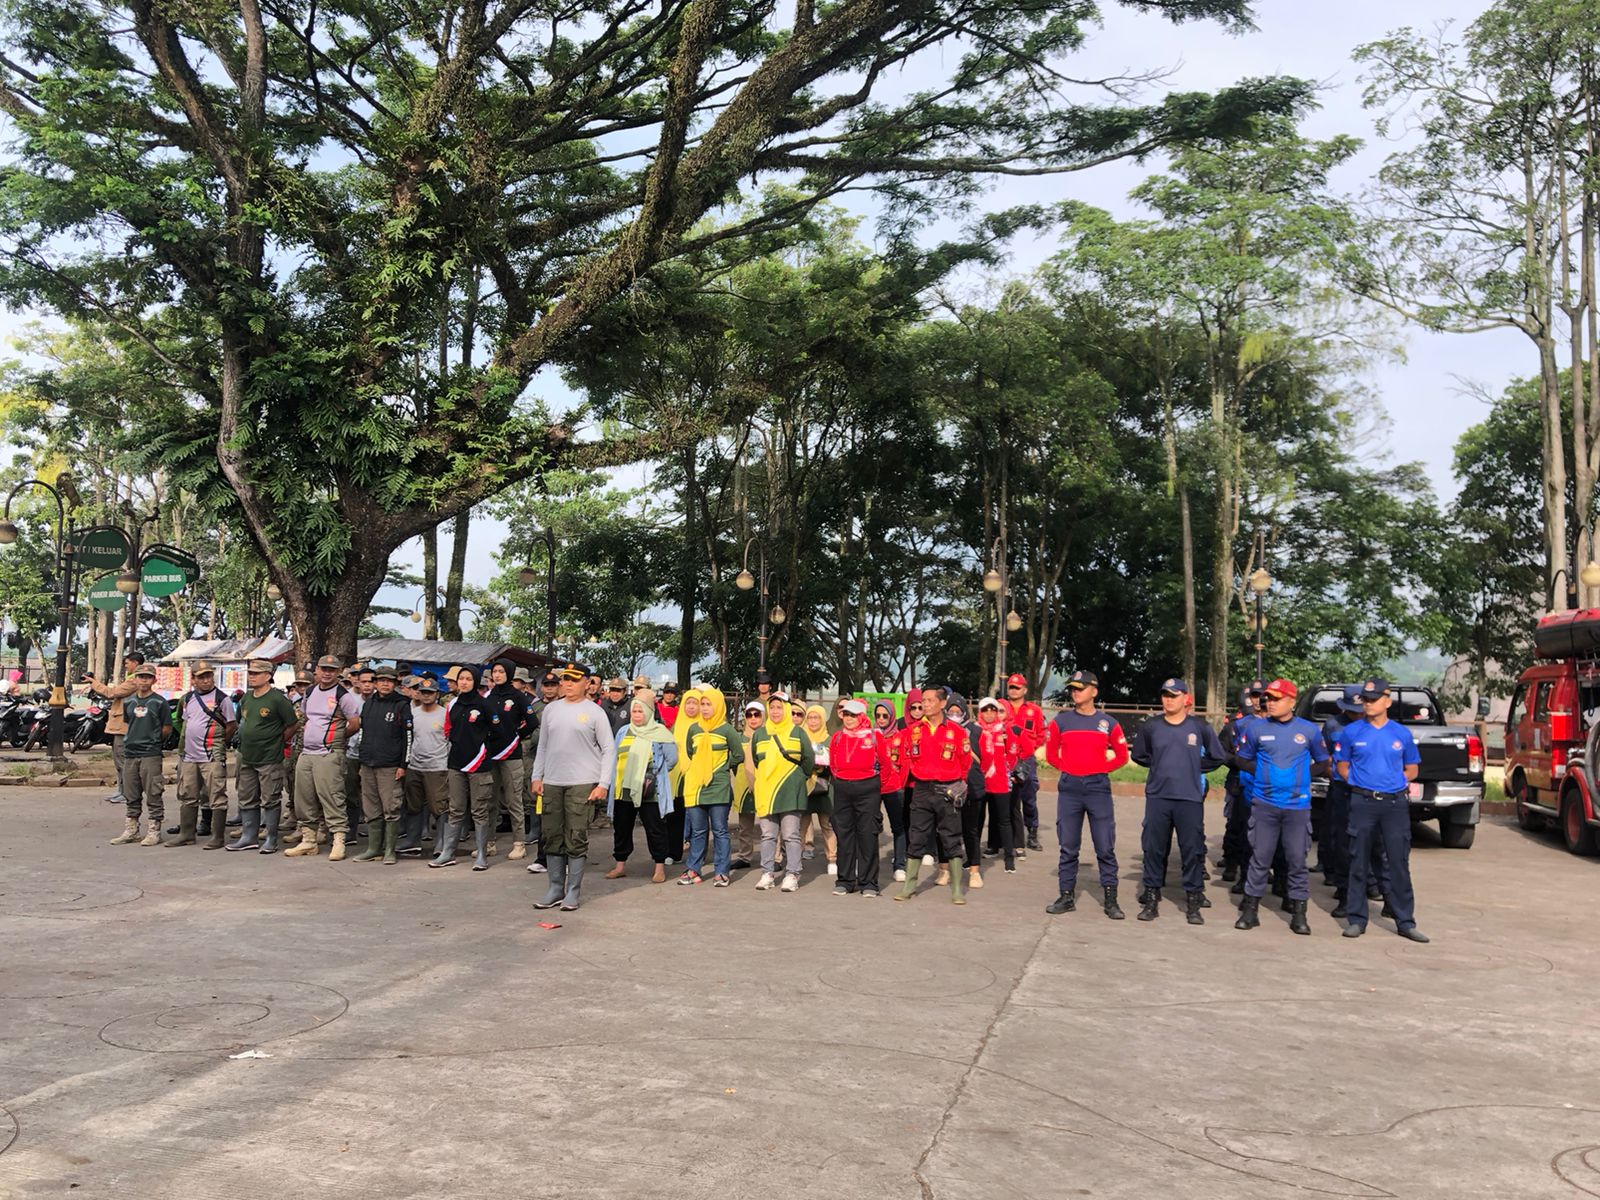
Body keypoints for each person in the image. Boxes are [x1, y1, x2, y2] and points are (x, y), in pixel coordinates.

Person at [1233, 678, 1330, 935]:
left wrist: (1303, 776)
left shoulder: (1308, 731)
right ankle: (1250, 911)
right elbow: (1242, 759)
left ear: (1291, 701)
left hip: (1297, 807)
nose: (1269, 702)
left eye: (1276, 698)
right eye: (1268, 698)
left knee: (1297, 859)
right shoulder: (1255, 729)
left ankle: (1299, 914)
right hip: (1264, 804)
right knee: (1259, 858)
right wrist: (1266, 772)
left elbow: (1323, 761)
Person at [1336, 679, 1429, 942]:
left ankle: (1405, 921)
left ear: (1387, 701)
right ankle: (1356, 919)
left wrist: (1396, 782)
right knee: (1358, 859)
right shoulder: (1352, 732)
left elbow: (1412, 768)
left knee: (1398, 861)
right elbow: (1342, 765)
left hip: (1393, 805)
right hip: (1362, 802)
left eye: (1373, 699)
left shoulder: (1400, 733)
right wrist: (1356, 781)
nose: (1367, 703)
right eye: (1365, 699)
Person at [1129, 678, 1227, 924]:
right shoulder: (1152, 726)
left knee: (1192, 850)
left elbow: (1217, 756)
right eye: (1165, 695)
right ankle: (1151, 896)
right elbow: (1139, 754)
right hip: (1159, 796)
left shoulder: (1199, 727)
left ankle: (1193, 901)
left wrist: (1194, 766)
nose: (1168, 699)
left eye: (1174, 695)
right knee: (1154, 848)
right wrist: (1160, 765)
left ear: (1186, 698)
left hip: (1189, 798)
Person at [530, 663, 617, 911]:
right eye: (565, 679)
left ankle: (573, 891)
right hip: (553, 781)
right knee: (552, 836)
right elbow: (543, 746)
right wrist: (537, 776)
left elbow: (609, 749)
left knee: (576, 836)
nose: (568, 684)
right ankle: (555, 888)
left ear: (586, 683)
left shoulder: (594, 712)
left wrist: (603, 784)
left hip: (582, 782)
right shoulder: (551, 710)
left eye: (574, 680)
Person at [1041, 670, 1128, 918]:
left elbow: (1121, 756)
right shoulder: (1061, 722)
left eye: (1080, 688)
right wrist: (1069, 769)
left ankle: (1111, 900)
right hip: (1070, 789)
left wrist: (1099, 769)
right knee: (1068, 845)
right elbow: (1050, 754)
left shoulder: (1108, 723)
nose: (1075, 692)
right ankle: (1066, 895)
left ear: (1094, 691)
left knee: (1104, 845)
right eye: (1073, 688)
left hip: (1098, 788)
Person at [897, 685, 973, 904]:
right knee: (917, 836)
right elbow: (903, 756)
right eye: (923, 701)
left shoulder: (957, 732)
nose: (925, 704)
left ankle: (957, 889)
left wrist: (960, 784)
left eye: (930, 700)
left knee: (951, 837)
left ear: (942, 703)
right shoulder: (913, 730)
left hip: (947, 789)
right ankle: (909, 886)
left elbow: (965, 762)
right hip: (921, 790)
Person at [284, 655, 364, 860]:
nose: (327, 673)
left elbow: (354, 724)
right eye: (324, 669)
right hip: (307, 752)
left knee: (332, 797)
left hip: (329, 754)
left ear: (338, 673)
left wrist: (336, 739)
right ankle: (309, 840)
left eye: (332, 670)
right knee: (303, 797)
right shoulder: (309, 692)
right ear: (317, 671)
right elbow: (306, 717)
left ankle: (339, 841)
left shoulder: (342, 695)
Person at [226, 658, 301, 853]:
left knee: (270, 799)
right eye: (250, 673)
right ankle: (248, 837)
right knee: (247, 797)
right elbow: (241, 721)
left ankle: (271, 838)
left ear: (268, 676)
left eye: (256, 673)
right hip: (247, 755)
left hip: (269, 757)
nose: (251, 676)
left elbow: (292, 724)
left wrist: (277, 741)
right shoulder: (246, 698)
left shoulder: (278, 699)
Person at [605, 692, 678, 882]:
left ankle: (659, 867)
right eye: (634, 711)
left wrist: (654, 773)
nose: (637, 715)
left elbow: (672, 759)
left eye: (640, 711)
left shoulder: (660, 732)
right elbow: (615, 756)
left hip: (650, 790)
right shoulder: (623, 731)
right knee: (621, 827)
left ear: (649, 712)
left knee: (655, 828)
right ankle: (620, 865)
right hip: (624, 788)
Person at [746, 693, 815, 892]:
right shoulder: (760, 734)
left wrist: (795, 778)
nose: (775, 711)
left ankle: (792, 874)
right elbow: (757, 761)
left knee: (791, 835)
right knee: (767, 836)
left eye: (779, 707)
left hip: (791, 791)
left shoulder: (798, 732)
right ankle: (767, 873)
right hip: (766, 791)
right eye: (772, 707)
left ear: (785, 709)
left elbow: (808, 761)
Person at [167, 662, 238, 849]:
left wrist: (220, 744)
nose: (206, 680)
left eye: (208, 676)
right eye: (201, 677)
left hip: (211, 756)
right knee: (187, 794)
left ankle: (218, 837)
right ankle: (187, 833)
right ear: (194, 680)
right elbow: (184, 724)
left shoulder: (222, 699)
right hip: (189, 756)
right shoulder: (188, 698)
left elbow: (231, 725)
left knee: (216, 796)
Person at [431, 665, 495, 869]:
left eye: (469, 678)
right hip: (456, 763)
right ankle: (448, 852)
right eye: (462, 678)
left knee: (480, 810)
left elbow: (497, 731)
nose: (464, 682)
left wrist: (483, 750)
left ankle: (481, 855)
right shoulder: (453, 705)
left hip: (479, 763)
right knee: (455, 808)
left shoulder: (485, 705)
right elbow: (448, 731)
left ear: (476, 681)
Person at [829, 698, 892, 896]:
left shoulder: (875, 737)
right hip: (842, 789)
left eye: (853, 715)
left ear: (862, 716)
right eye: (846, 714)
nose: (849, 719)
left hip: (868, 789)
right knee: (844, 835)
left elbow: (886, 766)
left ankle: (868, 883)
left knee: (867, 835)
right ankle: (846, 880)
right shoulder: (838, 738)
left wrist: (873, 787)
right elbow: (833, 765)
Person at [681, 687, 741, 886]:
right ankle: (693, 870)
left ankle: (722, 872)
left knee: (720, 830)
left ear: (718, 706)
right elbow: (691, 752)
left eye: (709, 704)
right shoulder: (694, 729)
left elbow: (738, 754)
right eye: (703, 704)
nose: (705, 709)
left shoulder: (726, 730)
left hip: (719, 788)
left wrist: (722, 768)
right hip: (696, 788)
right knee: (698, 831)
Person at [352, 666, 412, 864]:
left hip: (390, 765)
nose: (385, 684)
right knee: (371, 808)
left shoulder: (402, 704)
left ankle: (389, 850)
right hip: (368, 762)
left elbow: (408, 737)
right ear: (375, 683)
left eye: (390, 681)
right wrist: (362, 761)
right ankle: (373, 848)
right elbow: (363, 733)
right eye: (381, 680)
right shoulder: (369, 703)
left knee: (391, 807)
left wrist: (403, 764)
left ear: (395, 683)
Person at [108, 664, 172, 846]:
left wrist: (153, 739)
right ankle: (132, 828)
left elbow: (166, 728)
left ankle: (154, 829)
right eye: (140, 676)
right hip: (131, 752)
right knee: (131, 792)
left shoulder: (159, 703)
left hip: (150, 753)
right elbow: (130, 722)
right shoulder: (129, 702)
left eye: (148, 677)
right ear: (134, 679)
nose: (144, 680)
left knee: (153, 791)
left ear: (154, 680)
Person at [484, 659, 529, 861]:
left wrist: (516, 736)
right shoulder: (488, 696)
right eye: (495, 671)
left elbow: (532, 721)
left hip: (512, 755)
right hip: (491, 755)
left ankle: (519, 843)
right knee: (490, 801)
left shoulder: (518, 696)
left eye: (501, 671)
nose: (498, 675)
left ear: (509, 674)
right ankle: (489, 842)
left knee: (513, 801)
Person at [398, 676, 449, 856]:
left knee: (440, 806)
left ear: (437, 694)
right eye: (423, 692)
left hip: (437, 766)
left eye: (430, 693)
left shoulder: (445, 714)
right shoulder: (413, 713)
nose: (426, 696)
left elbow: (451, 740)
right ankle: (413, 840)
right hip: (415, 765)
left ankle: (443, 842)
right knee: (414, 804)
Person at [1219, 682, 1263, 883]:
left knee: (1263, 831)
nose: (1258, 700)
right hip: (1239, 782)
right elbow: (1222, 753)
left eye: (1262, 696)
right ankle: (1232, 864)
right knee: (1237, 826)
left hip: (1264, 785)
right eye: (1255, 695)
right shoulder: (1234, 727)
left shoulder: (1275, 726)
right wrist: (1239, 762)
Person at [972, 697, 1018, 885]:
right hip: (980, 782)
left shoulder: (1005, 731)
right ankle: (973, 858)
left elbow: (1013, 751)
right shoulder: (975, 731)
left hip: (999, 782)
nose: (990, 714)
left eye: (993, 710)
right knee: (976, 822)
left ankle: (1009, 858)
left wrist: (1006, 768)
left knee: (1003, 820)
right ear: (980, 713)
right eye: (985, 710)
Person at [94, 650, 146, 812]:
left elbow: (112, 693)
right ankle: (122, 791)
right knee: (119, 761)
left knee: (124, 761)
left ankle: (127, 793)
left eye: (127, 663)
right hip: (121, 725)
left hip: (125, 727)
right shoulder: (131, 680)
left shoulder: (134, 682)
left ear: (135, 663)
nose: (126, 666)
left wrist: (93, 683)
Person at [1002, 673, 1046, 852]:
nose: (1013, 690)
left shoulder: (1034, 711)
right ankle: (1006, 836)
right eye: (1011, 687)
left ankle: (1032, 833)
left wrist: (1029, 748)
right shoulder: (1001, 707)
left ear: (1025, 690)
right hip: (1005, 758)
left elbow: (1042, 733)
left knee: (1028, 796)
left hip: (1026, 759)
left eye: (1017, 687)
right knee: (1006, 798)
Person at [874, 702, 912, 883]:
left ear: (892, 716)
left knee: (898, 827)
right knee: (871, 827)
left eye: (885, 716)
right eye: (878, 715)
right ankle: (870, 865)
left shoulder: (900, 737)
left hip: (893, 788)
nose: (881, 719)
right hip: (873, 788)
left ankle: (899, 865)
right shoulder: (871, 736)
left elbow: (905, 764)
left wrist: (899, 784)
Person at [800, 703, 838, 876]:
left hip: (824, 787)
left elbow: (836, 763)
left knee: (827, 825)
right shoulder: (801, 737)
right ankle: (796, 859)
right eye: (810, 718)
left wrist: (825, 764)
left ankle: (832, 859)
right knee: (801, 825)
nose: (813, 721)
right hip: (805, 787)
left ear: (822, 719)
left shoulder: (829, 739)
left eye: (816, 718)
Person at [732, 699, 765, 869]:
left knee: (770, 825)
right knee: (745, 826)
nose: (753, 718)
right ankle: (745, 856)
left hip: (765, 785)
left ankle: (774, 858)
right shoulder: (738, 738)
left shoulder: (768, 736)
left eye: (757, 715)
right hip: (743, 786)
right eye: (749, 715)